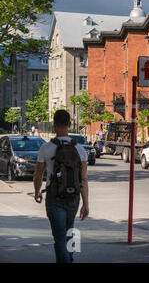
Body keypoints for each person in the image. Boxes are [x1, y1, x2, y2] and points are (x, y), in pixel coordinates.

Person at [33, 109, 89, 263]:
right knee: (70, 231)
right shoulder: (80, 149)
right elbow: (83, 179)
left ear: (54, 125)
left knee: (59, 237)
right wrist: (86, 203)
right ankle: (70, 258)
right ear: (70, 124)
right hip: (74, 197)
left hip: (54, 196)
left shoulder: (46, 148)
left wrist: (37, 191)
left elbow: (38, 175)